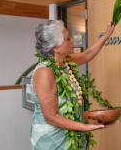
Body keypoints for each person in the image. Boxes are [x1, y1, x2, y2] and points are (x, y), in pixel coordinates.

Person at [30, 20, 115, 150]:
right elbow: (51, 117)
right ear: (55, 48)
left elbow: (87, 54)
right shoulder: (44, 73)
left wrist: (107, 34)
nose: (72, 41)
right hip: (52, 142)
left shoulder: (65, 62)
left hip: (72, 136)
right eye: (67, 39)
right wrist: (86, 127)